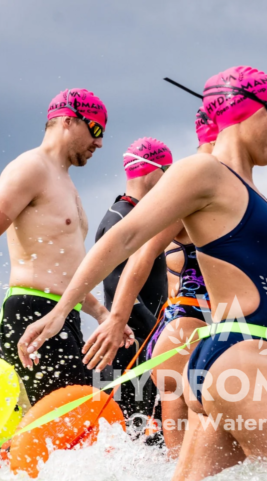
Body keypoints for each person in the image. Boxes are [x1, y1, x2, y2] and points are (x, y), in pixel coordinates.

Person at [16, 66, 267, 481]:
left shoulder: (250, 191)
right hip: (246, 361)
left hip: (233, 365)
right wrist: (64, 310)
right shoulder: (203, 172)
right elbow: (126, 238)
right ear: (240, 110)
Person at [0, 88, 117, 404]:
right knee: (70, 432)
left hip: (63, 316)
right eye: (96, 130)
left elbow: (64, 271)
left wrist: (102, 314)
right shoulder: (31, 167)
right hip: (31, 313)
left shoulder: (65, 182)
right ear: (68, 121)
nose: (100, 143)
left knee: (76, 433)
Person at [92, 138, 173, 426]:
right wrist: (160, 333)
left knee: (153, 433)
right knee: (133, 432)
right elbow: (116, 285)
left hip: (143, 340)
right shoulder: (121, 218)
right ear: (152, 171)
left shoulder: (138, 215)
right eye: (168, 170)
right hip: (129, 342)